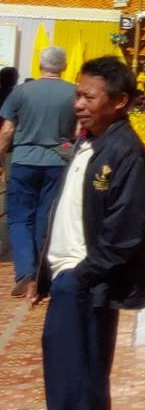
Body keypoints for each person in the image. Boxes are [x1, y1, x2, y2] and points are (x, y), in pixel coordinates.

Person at [32, 57, 145, 410]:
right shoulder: (91, 143)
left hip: (87, 281)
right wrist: (47, 275)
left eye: (89, 96)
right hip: (69, 276)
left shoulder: (126, 153)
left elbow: (125, 231)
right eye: (78, 95)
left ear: (119, 101)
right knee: (69, 374)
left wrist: (81, 276)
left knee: (78, 379)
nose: (79, 104)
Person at [1, 47, 76, 297]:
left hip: (24, 159)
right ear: (64, 66)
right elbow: (77, 133)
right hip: (58, 161)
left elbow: (7, 130)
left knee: (19, 217)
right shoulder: (73, 92)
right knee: (46, 217)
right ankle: (42, 275)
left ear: (40, 64)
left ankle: (26, 272)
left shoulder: (21, 91)